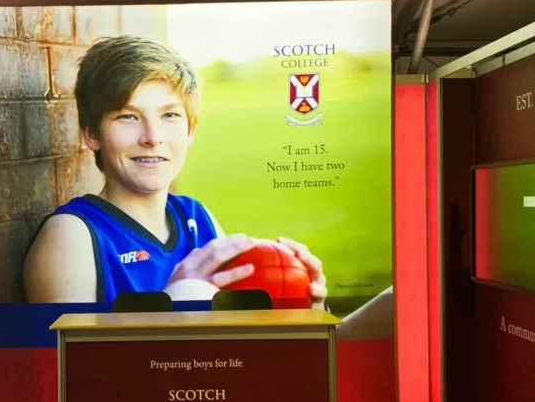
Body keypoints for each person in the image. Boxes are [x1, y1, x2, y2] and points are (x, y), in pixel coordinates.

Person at [22, 35, 327, 307]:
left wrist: (305, 309)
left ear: (191, 129)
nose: (152, 137)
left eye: (169, 115)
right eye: (128, 117)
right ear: (91, 133)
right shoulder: (72, 235)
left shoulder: (198, 218)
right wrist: (171, 302)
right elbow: (65, 367)